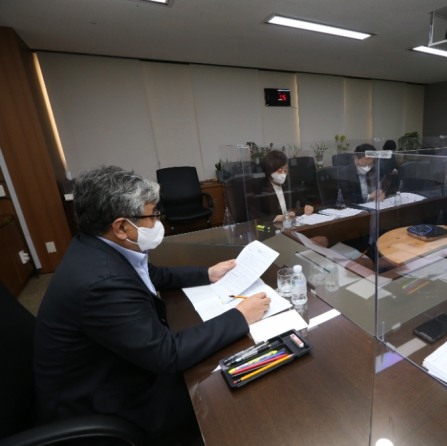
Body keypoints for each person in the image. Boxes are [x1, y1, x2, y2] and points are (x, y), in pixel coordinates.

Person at [33, 166, 271, 445]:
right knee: (228, 394)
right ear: (121, 227)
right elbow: (166, 354)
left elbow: (152, 274)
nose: (159, 222)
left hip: (112, 369)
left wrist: (208, 274)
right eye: (153, 215)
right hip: (103, 403)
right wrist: (240, 317)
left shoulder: (96, 245)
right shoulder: (102, 283)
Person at [256, 149, 314, 224]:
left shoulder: (289, 184)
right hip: (272, 229)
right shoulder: (260, 189)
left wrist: (308, 207)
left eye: (285, 170)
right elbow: (255, 217)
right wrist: (274, 218)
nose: (283, 174)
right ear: (270, 171)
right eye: (280, 171)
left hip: (290, 225)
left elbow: (304, 202)